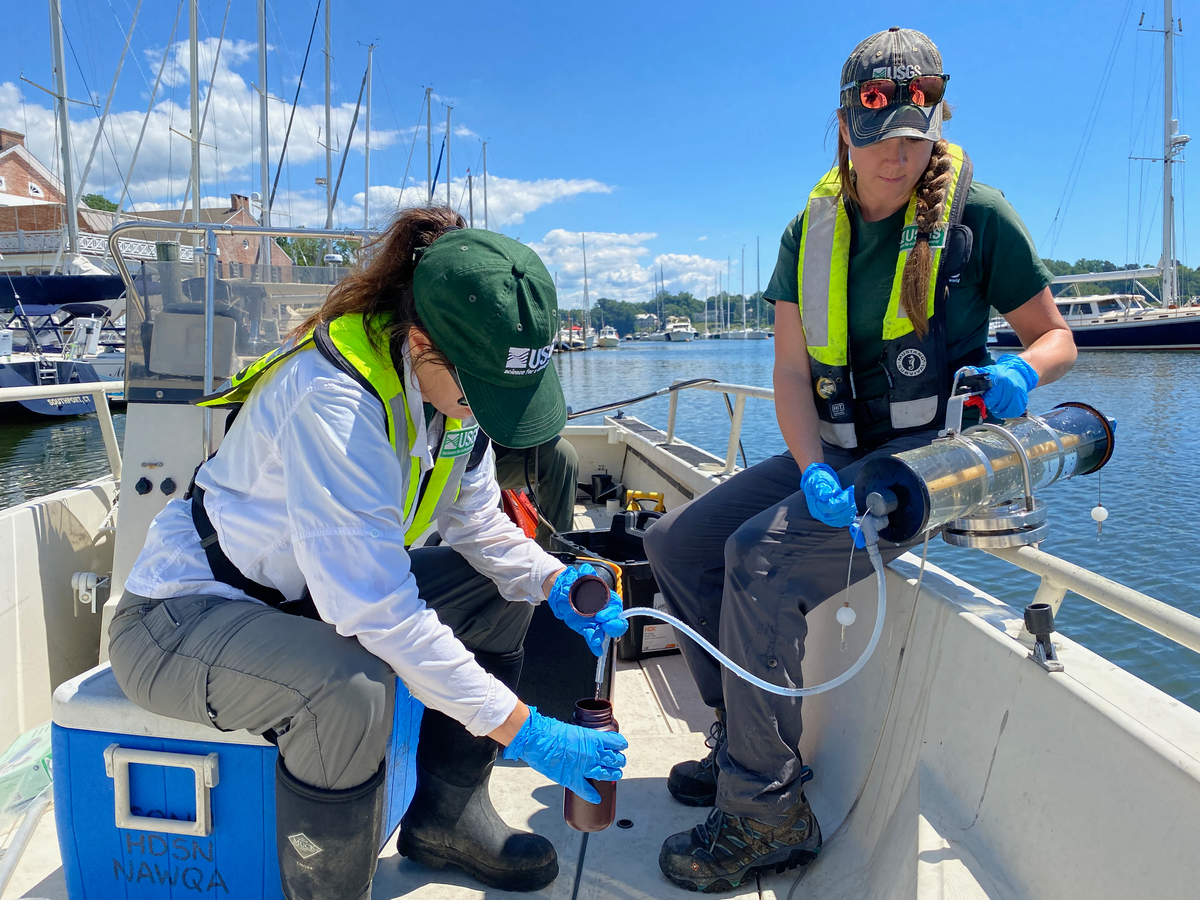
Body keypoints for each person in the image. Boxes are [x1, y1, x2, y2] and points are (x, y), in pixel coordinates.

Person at [644, 27, 1076, 893]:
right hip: (835, 458)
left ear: (936, 129)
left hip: (925, 472)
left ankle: (767, 813)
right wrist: (808, 468)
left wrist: (1023, 371)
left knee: (759, 560)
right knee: (679, 547)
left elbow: (1055, 336)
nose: (898, 158)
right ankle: (742, 745)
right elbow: (792, 374)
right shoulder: (809, 230)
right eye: (880, 139)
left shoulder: (979, 218)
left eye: (917, 141)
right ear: (845, 129)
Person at [107, 207, 629, 899]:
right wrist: (527, 730)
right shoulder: (334, 402)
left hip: (306, 601)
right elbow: (377, 611)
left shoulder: (452, 402)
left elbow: (476, 522)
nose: (490, 410)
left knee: (497, 587)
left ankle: (446, 822)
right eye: (485, 389)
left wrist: (552, 582)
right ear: (419, 342)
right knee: (348, 691)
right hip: (180, 620)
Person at [494, 437, 580, 546]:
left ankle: (553, 550)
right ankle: (490, 551)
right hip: (471, 454)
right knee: (486, 461)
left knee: (561, 453)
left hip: (499, 441)